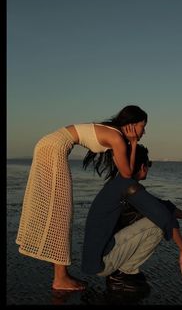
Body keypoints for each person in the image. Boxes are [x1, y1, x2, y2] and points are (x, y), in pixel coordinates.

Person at [16, 105, 148, 291]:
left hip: (49, 145)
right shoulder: (117, 137)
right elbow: (127, 174)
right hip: (54, 148)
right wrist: (133, 144)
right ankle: (60, 278)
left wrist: (130, 144)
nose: (145, 131)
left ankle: (60, 274)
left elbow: (123, 171)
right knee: (61, 211)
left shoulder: (114, 136)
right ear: (133, 125)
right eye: (143, 125)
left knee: (57, 211)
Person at [81, 145, 182, 292]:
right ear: (142, 166)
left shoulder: (120, 183)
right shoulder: (129, 187)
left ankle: (121, 272)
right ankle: (122, 274)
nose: (148, 168)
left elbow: (162, 205)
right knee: (158, 225)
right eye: (149, 164)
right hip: (102, 261)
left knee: (157, 214)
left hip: (97, 257)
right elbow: (165, 217)